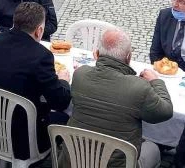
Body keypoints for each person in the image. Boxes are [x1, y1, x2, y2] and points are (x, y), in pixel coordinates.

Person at [0, 1, 71, 160]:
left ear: (15, 22)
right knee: (66, 119)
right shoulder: (41, 55)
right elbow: (60, 102)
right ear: (39, 30)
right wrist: (63, 81)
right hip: (23, 140)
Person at [68, 28, 173, 168]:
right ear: (129, 57)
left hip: (74, 160)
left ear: (97, 54)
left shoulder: (80, 74)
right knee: (152, 148)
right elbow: (165, 111)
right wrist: (156, 81)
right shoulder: (139, 87)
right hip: (117, 164)